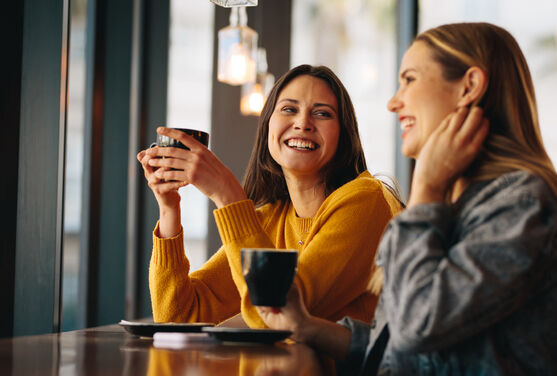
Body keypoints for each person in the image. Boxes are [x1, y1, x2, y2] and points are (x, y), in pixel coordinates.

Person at [256, 22, 557, 375]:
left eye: (410, 79)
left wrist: (426, 190)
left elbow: (419, 326)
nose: (393, 102)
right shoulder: (459, 204)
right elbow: (401, 349)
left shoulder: (524, 204)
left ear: (469, 86)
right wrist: (308, 328)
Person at [136, 64, 404, 328]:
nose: (302, 123)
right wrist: (169, 208)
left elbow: (280, 314)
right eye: (289, 109)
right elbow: (178, 317)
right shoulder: (270, 220)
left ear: (343, 135)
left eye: (322, 114)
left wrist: (227, 194)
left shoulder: (365, 200)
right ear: (267, 128)